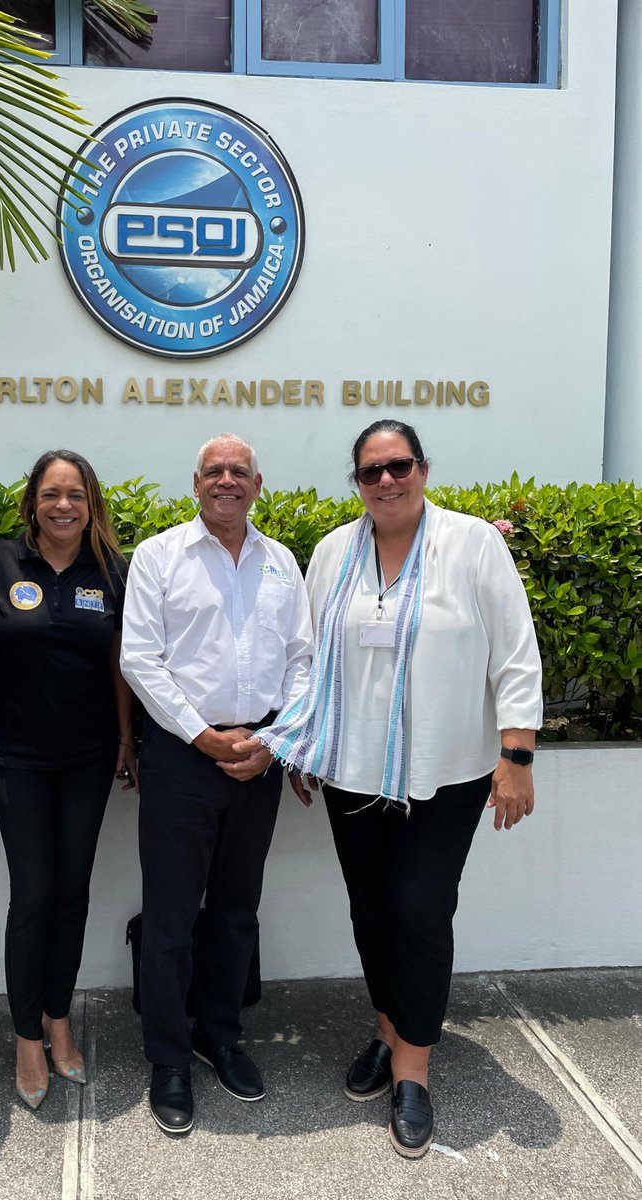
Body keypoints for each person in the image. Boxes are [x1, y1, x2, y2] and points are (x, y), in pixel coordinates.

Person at [253, 419, 543, 1158]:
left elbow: (515, 651)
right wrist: (302, 748)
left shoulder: (473, 543)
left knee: (419, 908)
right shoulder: (331, 552)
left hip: (447, 772)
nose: (386, 481)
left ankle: (413, 1070)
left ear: (422, 468)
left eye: (399, 465)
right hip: (351, 769)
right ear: (356, 481)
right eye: (371, 471)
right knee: (371, 908)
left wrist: (518, 756)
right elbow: (310, 658)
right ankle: (388, 1028)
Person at [120, 433, 313, 1136]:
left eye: (239, 471)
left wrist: (273, 741)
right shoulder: (159, 557)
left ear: (257, 485)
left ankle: (221, 1035)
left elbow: (302, 660)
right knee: (171, 917)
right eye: (214, 471)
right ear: (195, 484)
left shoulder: (281, 562)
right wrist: (202, 735)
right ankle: (169, 1056)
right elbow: (141, 659)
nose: (226, 480)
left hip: (258, 755)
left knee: (237, 910)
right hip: (182, 754)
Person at [0, 449, 137, 1110]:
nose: (63, 505)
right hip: (16, 754)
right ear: (32, 502)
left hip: (90, 754)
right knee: (34, 893)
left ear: (91, 502)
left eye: (75, 494)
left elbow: (120, 662)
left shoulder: (115, 570)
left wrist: (126, 738)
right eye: (51, 494)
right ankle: (25, 1036)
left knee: (73, 892)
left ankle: (59, 1018)